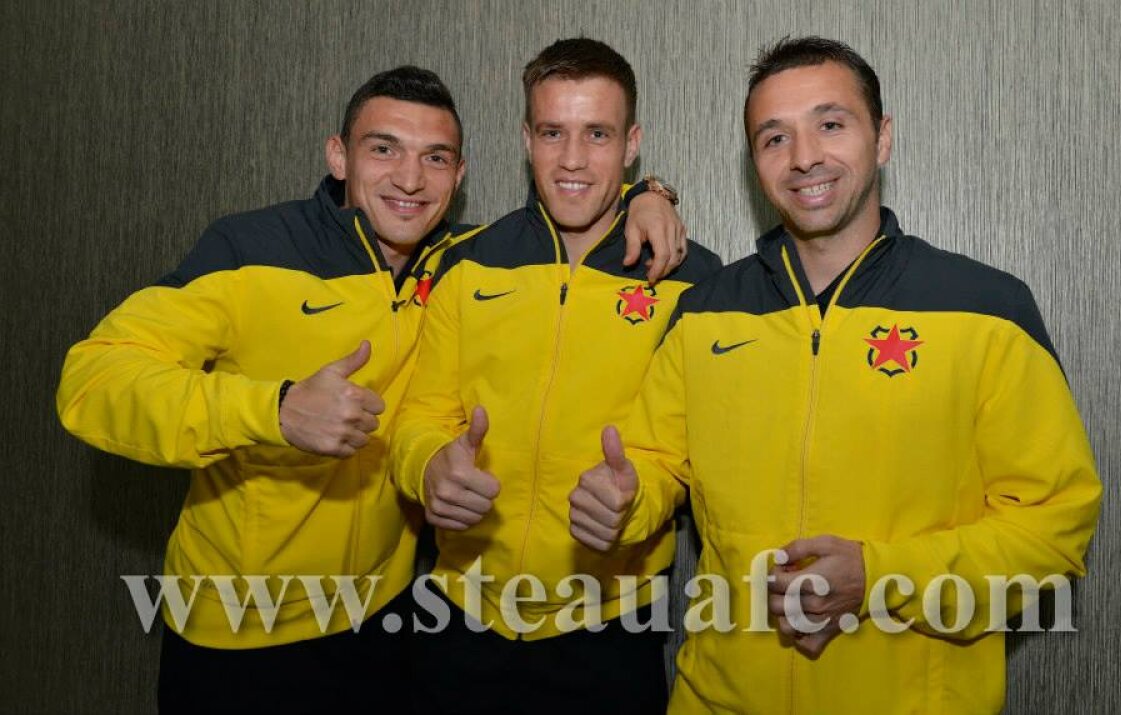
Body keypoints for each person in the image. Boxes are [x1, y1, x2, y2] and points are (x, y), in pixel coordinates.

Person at [55, 65, 687, 712]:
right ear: (339, 156)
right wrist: (273, 409)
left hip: (386, 626)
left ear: (459, 175)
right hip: (240, 633)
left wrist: (650, 193)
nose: (410, 179)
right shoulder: (251, 248)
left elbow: (571, 232)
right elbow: (95, 378)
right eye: (384, 149)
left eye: (434, 157)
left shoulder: (458, 264)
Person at [580, 36, 1103, 713]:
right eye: (775, 138)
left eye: (830, 124)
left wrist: (881, 578)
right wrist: (626, 499)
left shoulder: (988, 309)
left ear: (881, 137)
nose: (804, 157)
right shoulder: (704, 312)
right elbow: (655, 463)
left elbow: (1053, 529)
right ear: (755, 163)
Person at [390, 38, 722, 713]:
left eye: (597, 133)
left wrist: (636, 501)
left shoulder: (693, 280)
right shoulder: (467, 262)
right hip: (458, 616)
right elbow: (419, 417)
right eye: (552, 132)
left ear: (632, 144)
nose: (572, 159)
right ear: (526, 140)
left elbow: (685, 456)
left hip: (610, 628)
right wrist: (427, 467)